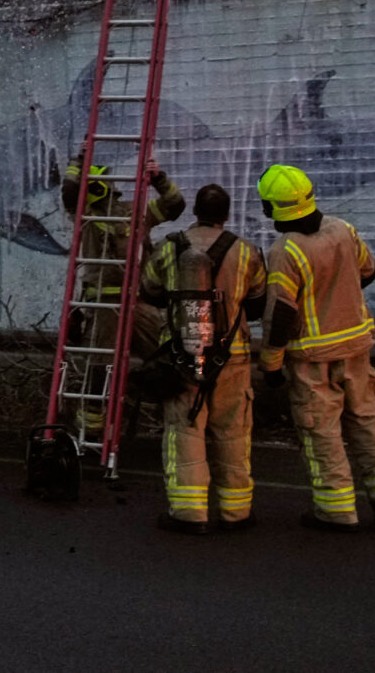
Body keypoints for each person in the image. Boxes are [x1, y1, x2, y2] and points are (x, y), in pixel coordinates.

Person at [254, 163, 375, 532]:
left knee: (321, 432)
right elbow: (367, 272)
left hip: (313, 360)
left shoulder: (285, 251)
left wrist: (271, 364)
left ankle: (336, 509)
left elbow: (280, 317)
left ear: (273, 208)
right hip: (356, 350)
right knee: (369, 424)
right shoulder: (344, 230)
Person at [138, 181, 263, 534]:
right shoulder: (247, 251)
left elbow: (149, 291)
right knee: (233, 434)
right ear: (226, 214)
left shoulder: (169, 247)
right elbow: (256, 304)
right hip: (232, 358)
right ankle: (236, 513)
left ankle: (190, 514)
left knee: (185, 430)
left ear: (195, 212)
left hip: (182, 357)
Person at [57, 158, 184, 439]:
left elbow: (175, 205)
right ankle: (91, 433)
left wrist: (157, 177)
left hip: (137, 304)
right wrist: (80, 159)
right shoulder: (86, 215)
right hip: (104, 308)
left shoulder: (134, 213)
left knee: (167, 357)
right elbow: (68, 191)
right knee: (101, 367)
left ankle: (178, 421)